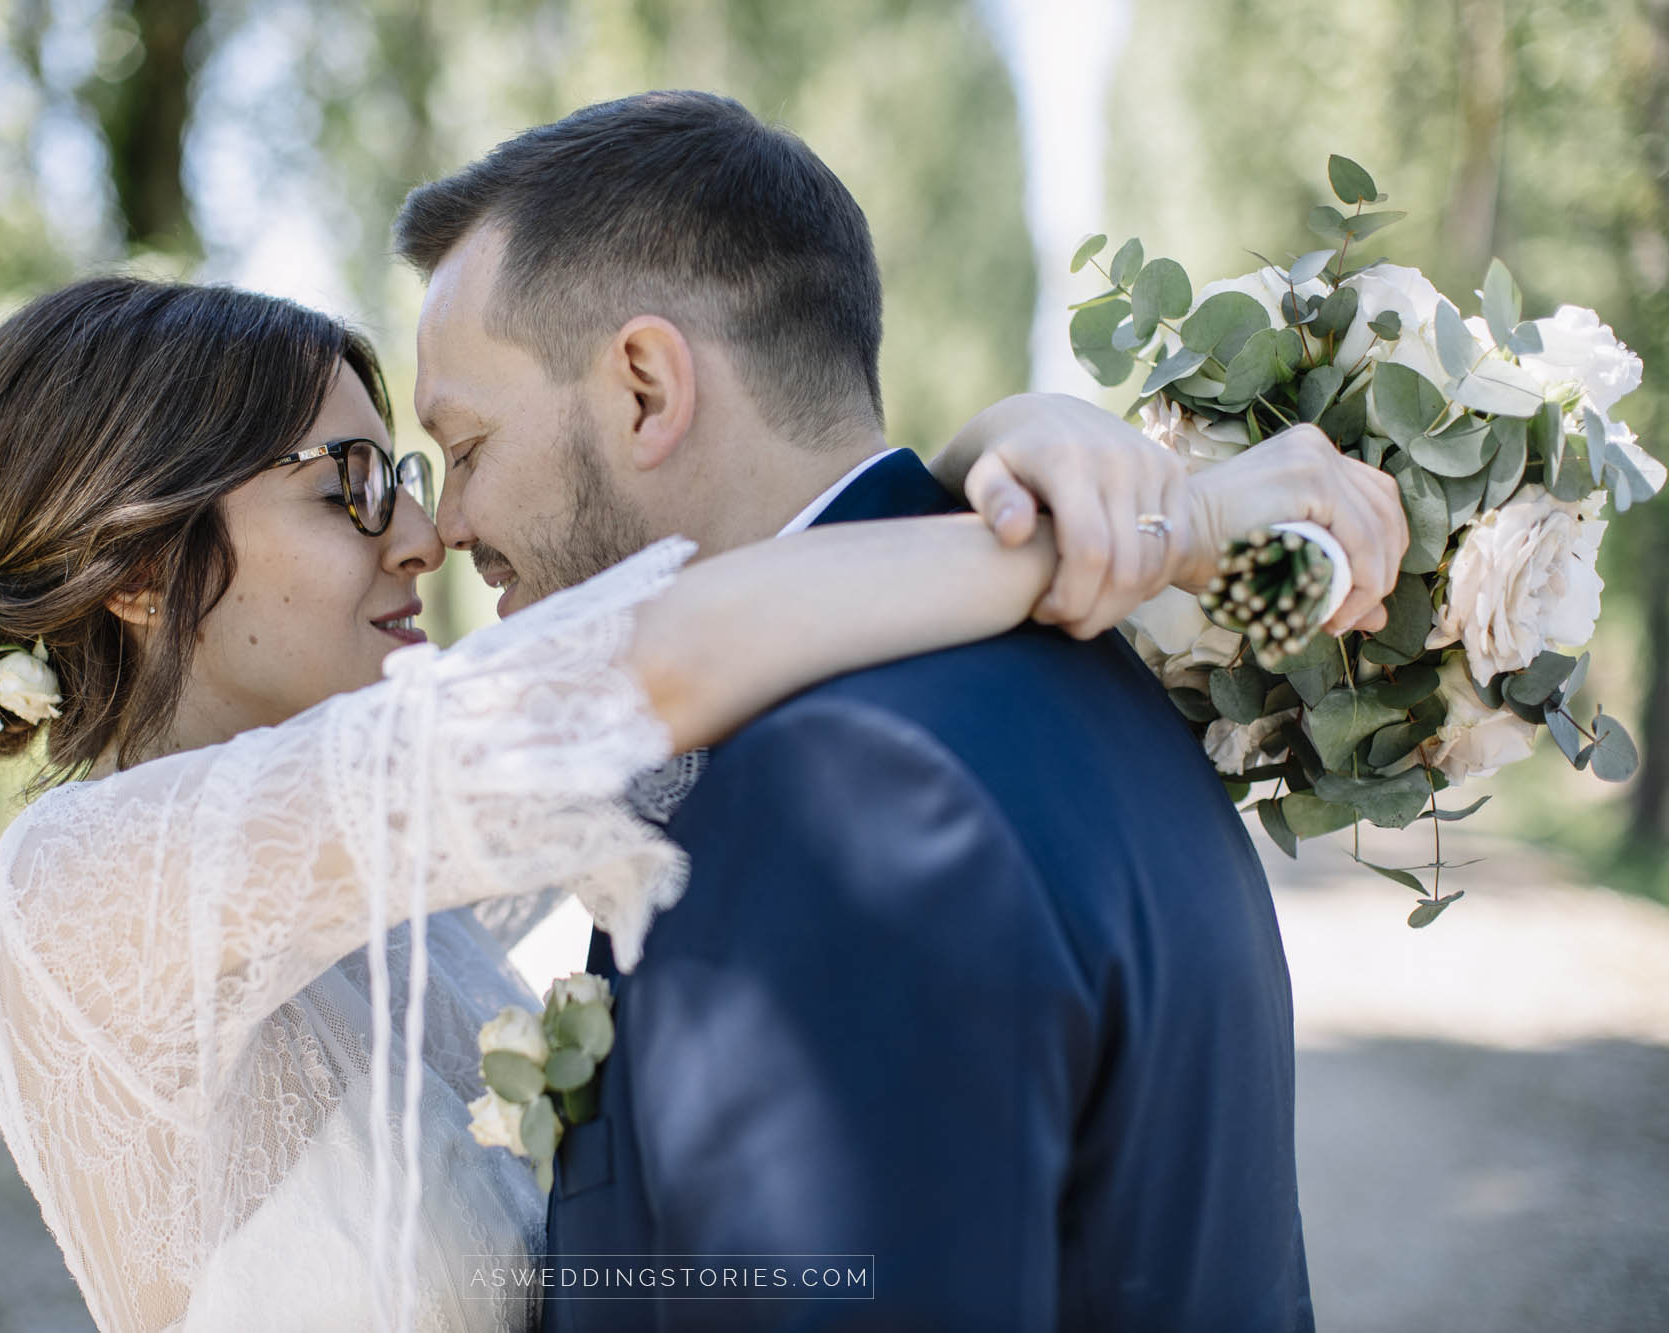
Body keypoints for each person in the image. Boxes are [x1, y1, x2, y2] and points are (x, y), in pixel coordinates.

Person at [0, 276, 1356, 1333]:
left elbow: (763, 626)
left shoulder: (393, 870)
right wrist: (1165, 532)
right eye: (349, 486)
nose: (423, 534)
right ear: (139, 566)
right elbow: (654, 661)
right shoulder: (82, 892)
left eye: (408, 472)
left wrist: (1009, 449)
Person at [393, 90, 1407, 1330]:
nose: (443, 527)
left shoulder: (831, 794)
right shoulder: (1092, 683)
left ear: (647, 390)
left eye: (466, 444)